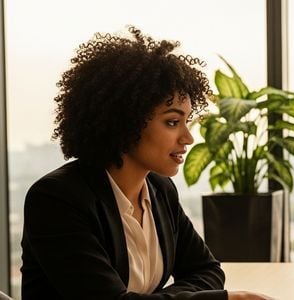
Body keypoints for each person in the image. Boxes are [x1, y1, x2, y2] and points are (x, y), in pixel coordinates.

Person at [20, 27, 271, 300]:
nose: (187, 137)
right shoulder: (57, 199)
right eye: (172, 122)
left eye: (187, 121)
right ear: (125, 122)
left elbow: (207, 271)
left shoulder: (160, 190)